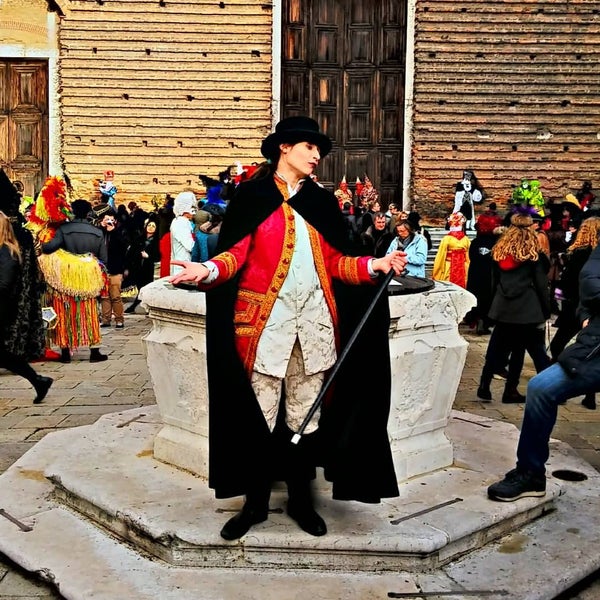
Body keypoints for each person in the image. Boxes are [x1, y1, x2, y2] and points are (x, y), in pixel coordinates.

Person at [168, 115, 407, 541]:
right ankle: (255, 504)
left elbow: (337, 262)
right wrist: (203, 270)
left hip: (315, 327)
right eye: (310, 148)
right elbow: (234, 256)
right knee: (258, 417)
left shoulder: (322, 202)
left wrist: (377, 264)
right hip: (263, 328)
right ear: (285, 148)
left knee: (304, 417)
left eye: (319, 151)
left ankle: (302, 500)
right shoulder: (253, 197)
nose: (318, 156)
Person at [488, 241, 600, 501]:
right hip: (595, 347)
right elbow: (590, 280)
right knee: (541, 387)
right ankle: (530, 473)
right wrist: (585, 313)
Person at [476, 210, 551, 404]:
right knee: (519, 350)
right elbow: (542, 285)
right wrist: (546, 308)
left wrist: (492, 305)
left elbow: (493, 282)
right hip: (526, 307)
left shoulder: (499, 252)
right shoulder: (534, 255)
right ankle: (510, 390)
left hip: (503, 306)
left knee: (495, 346)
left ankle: (484, 385)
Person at [0, 172, 52, 404]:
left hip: (5, 305)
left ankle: (38, 380)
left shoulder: (10, 244)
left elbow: (6, 281)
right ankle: (38, 381)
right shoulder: (20, 236)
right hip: (10, 306)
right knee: (5, 355)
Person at [41, 199, 109, 363]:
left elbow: (48, 248)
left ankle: (65, 351)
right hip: (88, 278)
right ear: (88, 213)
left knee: (65, 311)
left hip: (67, 277)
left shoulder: (64, 229)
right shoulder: (98, 232)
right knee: (90, 311)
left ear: (72, 211)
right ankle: (94, 351)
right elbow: (104, 259)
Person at [549, 216, 600, 409]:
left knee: (557, 345)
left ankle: (560, 388)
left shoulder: (579, 253)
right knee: (590, 350)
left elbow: (570, 281)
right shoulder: (595, 255)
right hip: (593, 308)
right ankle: (590, 396)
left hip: (575, 306)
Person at [464, 211, 503, 334]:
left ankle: (475, 319)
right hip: (490, 274)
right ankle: (484, 322)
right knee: (487, 297)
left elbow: (472, 257)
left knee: (476, 296)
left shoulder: (475, 242)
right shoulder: (497, 243)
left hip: (476, 273)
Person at [98, 211, 129, 328]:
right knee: (104, 296)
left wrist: (114, 231)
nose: (109, 222)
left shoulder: (120, 232)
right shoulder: (100, 232)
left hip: (115, 269)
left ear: (115, 221)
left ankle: (119, 319)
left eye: (111, 219)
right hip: (102, 269)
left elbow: (123, 247)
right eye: (106, 219)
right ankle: (105, 319)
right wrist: (102, 227)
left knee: (115, 296)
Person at [124, 217, 161, 314]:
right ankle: (140, 305)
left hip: (147, 268)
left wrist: (148, 256)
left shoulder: (156, 242)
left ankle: (136, 305)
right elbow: (130, 253)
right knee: (140, 287)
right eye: (149, 225)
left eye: (153, 226)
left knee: (144, 288)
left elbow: (158, 256)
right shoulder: (139, 239)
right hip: (137, 268)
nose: (151, 228)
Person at [432, 212, 470, 288]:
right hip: (463, 267)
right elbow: (468, 257)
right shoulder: (466, 239)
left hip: (449, 266)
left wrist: (437, 271)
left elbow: (441, 256)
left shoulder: (446, 239)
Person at [169, 191, 196, 275]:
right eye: (192, 207)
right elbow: (190, 246)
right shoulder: (180, 223)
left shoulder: (183, 221)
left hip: (184, 264)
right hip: (181, 267)